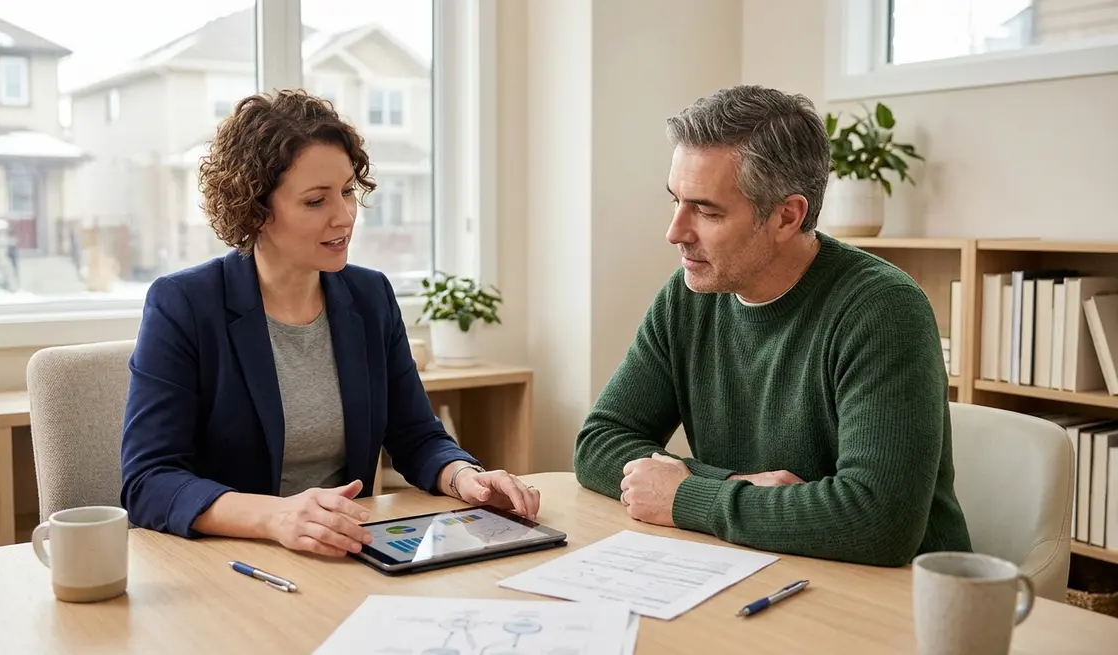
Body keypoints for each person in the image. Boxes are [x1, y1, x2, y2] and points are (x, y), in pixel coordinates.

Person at [120, 90, 539, 558]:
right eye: (316, 201)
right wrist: (274, 517)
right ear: (255, 209)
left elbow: (416, 436)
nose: (344, 217)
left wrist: (466, 477)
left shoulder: (370, 296)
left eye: (346, 192)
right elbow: (148, 480)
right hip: (230, 562)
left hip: (341, 554)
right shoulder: (184, 305)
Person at [572, 85, 972, 567]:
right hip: (762, 564)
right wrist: (731, 488)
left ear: (787, 216)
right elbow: (600, 441)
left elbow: (877, 521)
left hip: (898, 599)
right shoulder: (688, 297)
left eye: (706, 210)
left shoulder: (883, 311)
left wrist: (688, 496)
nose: (675, 231)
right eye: (675, 201)